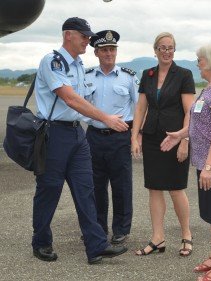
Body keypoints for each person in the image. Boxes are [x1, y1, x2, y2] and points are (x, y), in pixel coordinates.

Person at [32, 17, 128, 264]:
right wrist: (105, 118)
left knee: (86, 191)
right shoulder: (53, 62)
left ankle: (96, 245)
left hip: (77, 134)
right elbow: (71, 99)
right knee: (49, 190)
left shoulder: (78, 65)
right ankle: (41, 242)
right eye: (84, 36)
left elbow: (86, 102)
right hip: (54, 135)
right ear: (68, 36)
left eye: (88, 36)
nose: (88, 40)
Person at [161, 43, 211, 281]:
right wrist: (181, 134)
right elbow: (200, 123)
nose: (198, 63)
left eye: (200, 59)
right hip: (208, 161)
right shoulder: (210, 88)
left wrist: (209, 167)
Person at [131, 32, 195, 256]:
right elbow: (141, 108)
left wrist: (184, 140)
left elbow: (190, 110)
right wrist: (135, 136)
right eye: (162, 47)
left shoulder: (184, 74)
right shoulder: (147, 74)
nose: (167, 51)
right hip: (152, 138)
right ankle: (158, 237)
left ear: (174, 51)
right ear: (155, 50)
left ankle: (186, 234)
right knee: (154, 188)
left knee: (176, 188)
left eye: (171, 48)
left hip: (175, 137)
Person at [84, 30, 139, 244]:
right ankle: (98, 228)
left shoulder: (128, 76)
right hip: (94, 137)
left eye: (112, 49)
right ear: (96, 52)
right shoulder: (87, 77)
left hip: (120, 137)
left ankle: (121, 229)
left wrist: (136, 136)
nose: (109, 53)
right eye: (105, 50)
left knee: (121, 185)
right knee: (95, 185)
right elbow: (80, 105)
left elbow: (139, 108)